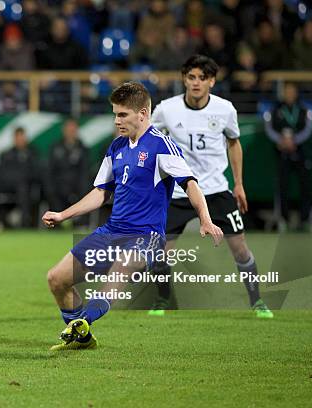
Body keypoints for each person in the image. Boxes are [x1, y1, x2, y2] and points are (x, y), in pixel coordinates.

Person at [42, 82, 224, 351]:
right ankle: (81, 337)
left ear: (142, 113)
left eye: (122, 115)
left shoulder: (161, 146)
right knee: (56, 279)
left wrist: (205, 219)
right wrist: (63, 215)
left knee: (119, 271)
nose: (117, 121)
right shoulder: (116, 147)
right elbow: (101, 193)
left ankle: (83, 322)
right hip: (112, 231)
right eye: (115, 114)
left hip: (146, 237)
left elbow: (190, 184)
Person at [150, 55, 274, 318]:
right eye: (191, 77)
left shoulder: (225, 109)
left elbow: (234, 143)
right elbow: (149, 139)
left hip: (217, 190)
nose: (196, 83)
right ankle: (163, 300)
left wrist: (238, 184)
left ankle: (257, 301)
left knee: (240, 249)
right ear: (184, 79)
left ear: (212, 82)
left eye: (202, 78)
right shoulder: (166, 109)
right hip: (178, 191)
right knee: (160, 251)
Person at [264, 82, 312, 230]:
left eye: (292, 91)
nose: (289, 94)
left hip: (300, 152)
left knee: (305, 185)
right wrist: (281, 141)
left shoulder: (304, 110)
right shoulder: (275, 110)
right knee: (282, 186)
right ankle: (283, 219)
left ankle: (306, 219)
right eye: (287, 92)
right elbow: (270, 129)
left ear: (296, 93)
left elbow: (308, 129)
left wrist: (294, 141)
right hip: (281, 152)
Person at [45, 118, 90, 217]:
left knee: (85, 191)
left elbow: (84, 171)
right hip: (58, 186)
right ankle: (57, 222)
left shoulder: (83, 149)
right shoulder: (55, 147)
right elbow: (50, 171)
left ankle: (80, 223)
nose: (71, 133)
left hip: (76, 186)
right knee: (52, 191)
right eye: (69, 130)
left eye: (73, 130)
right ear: (64, 131)